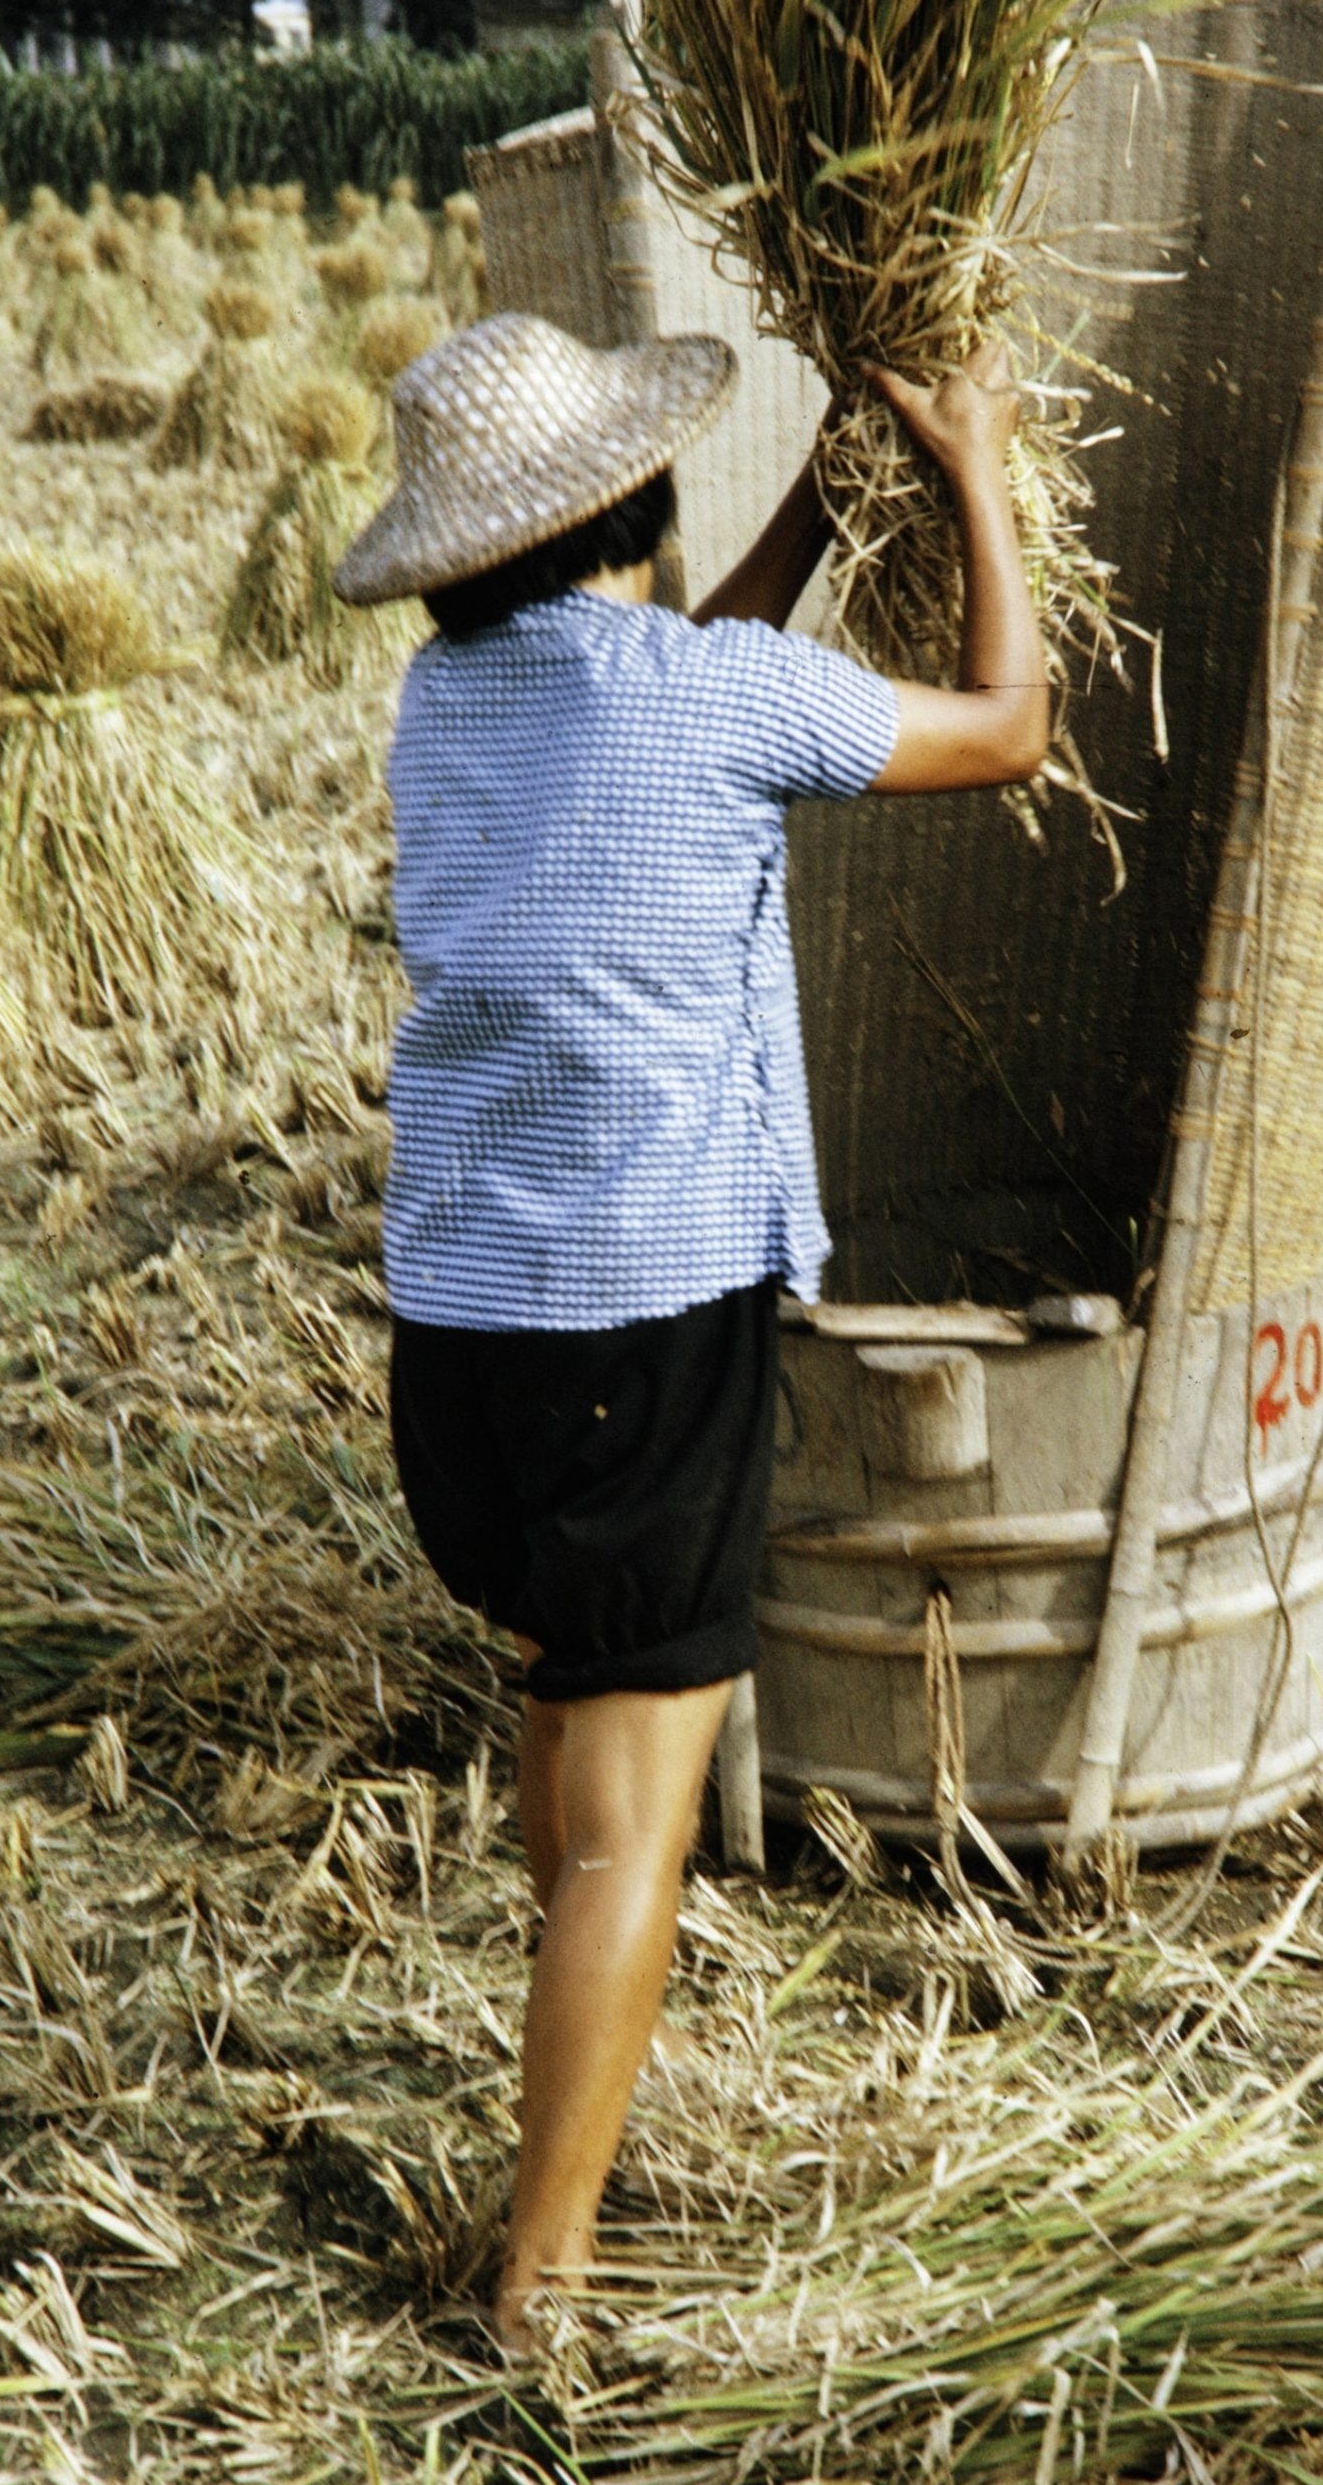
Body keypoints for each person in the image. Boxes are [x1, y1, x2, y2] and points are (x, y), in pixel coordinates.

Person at [334, 309, 1046, 2348]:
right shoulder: (714, 697)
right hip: (642, 1322)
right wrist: (975, 464)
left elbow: (681, 684)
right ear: (636, 506)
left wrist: (824, 505)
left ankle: (566, 2135)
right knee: (624, 1832)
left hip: (461, 1327)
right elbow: (1007, 724)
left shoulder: (440, 706)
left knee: (572, 1729)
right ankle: (541, 2283)